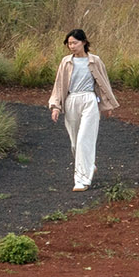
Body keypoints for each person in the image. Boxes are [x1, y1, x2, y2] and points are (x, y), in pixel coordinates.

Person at [48, 28, 118, 192]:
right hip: (71, 100)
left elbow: (103, 84)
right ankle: (89, 164)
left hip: (89, 100)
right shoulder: (66, 62)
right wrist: (55, 107)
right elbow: (59, 85)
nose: (71, 46)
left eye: (75, 43)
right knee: (75, 143)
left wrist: (106, 106)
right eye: (69, 43)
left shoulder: (95, 61)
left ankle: (82, 180)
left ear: (84, 42)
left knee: (84, 140)